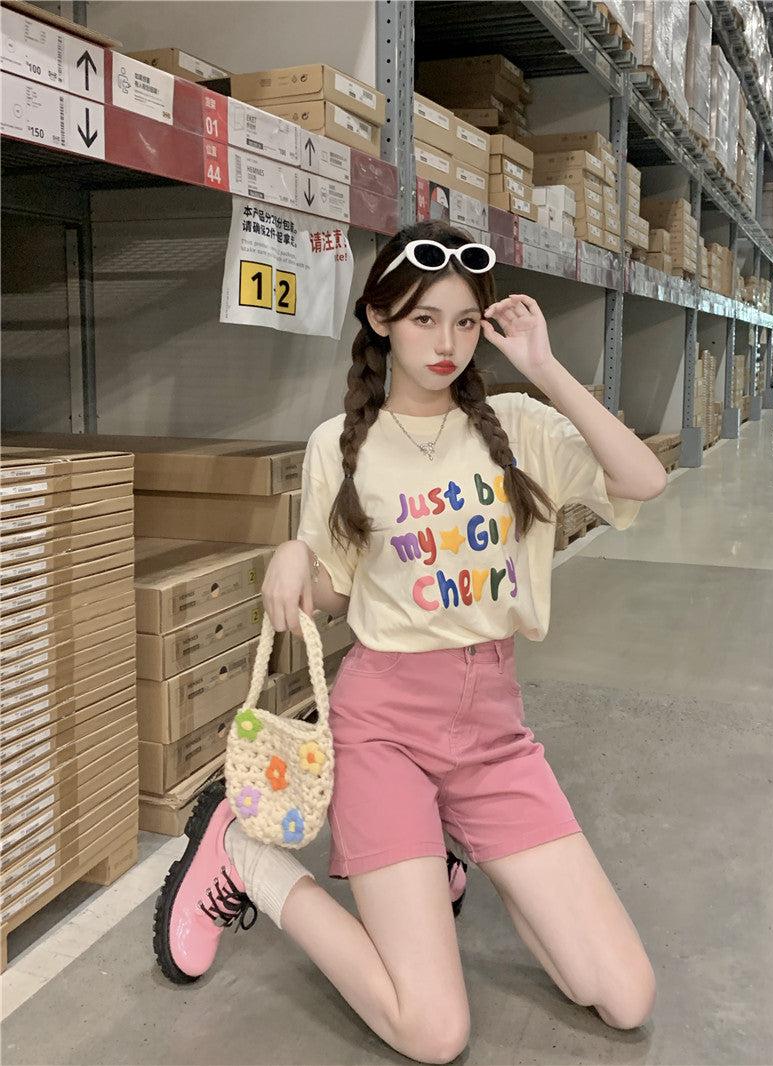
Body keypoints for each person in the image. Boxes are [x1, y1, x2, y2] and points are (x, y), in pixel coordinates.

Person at [153, 220, 666, 1062]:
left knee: (623, 995)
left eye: (464, 322)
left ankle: (445, 851)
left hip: (494, 733)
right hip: (384, 728)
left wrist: (544, 367)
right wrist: (293, 553)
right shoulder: (339, 445)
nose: (447, 344)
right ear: (381, 318)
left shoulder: (517, 425)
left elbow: (642, 477)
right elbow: (337, 588)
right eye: (425, 320)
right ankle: (250, 859)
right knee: (433, 1031)